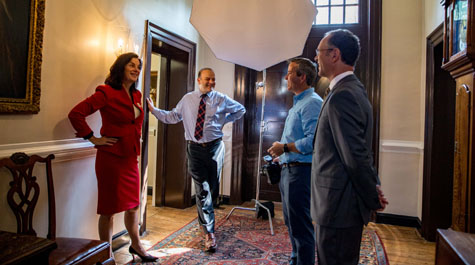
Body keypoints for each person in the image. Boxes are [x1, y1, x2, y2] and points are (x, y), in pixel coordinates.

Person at [68, 52, 157, 262]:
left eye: (138, 66)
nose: (136, 69)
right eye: (131, 65)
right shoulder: (106, 92)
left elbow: (133, 124)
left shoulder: (136, 95)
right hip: (111, 159)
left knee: (134, 205)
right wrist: (92, 138)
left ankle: (136, 245)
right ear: (120, 67)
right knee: (108, 210)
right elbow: (76, 113)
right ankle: (106, 254)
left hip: (130, 158)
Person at [311, 29, 389, 265]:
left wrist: (372, 197)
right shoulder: (351, 88)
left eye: (319, 52)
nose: (316, 58)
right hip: (339, 205)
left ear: (334, 54)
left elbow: (354, 156)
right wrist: (373, 186)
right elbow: (359, 150)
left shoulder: (343, 95)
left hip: (337, 207)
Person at [147, 67, 246, 252]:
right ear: (199, 80)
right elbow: (172, 116)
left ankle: (207, 219)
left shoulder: (221, 99)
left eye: (213, 79)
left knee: (213, 189)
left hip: (215, 148)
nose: (211, 83)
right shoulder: (187, 99)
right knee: (202, 190)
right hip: (194, 148)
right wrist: (153, 110)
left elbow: (241, 110)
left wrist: (223, 121)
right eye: (208, 79)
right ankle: (209, 232)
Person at [267, 58, 323, 265]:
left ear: (302, 77)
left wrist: (285, 148)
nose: (286, 77)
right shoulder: (298, 103)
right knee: (292, 224)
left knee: (301, 227)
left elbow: (313, 140)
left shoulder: (312, 103)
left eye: (290, 73)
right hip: (289, 170)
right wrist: (280, 154)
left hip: (301, 172)